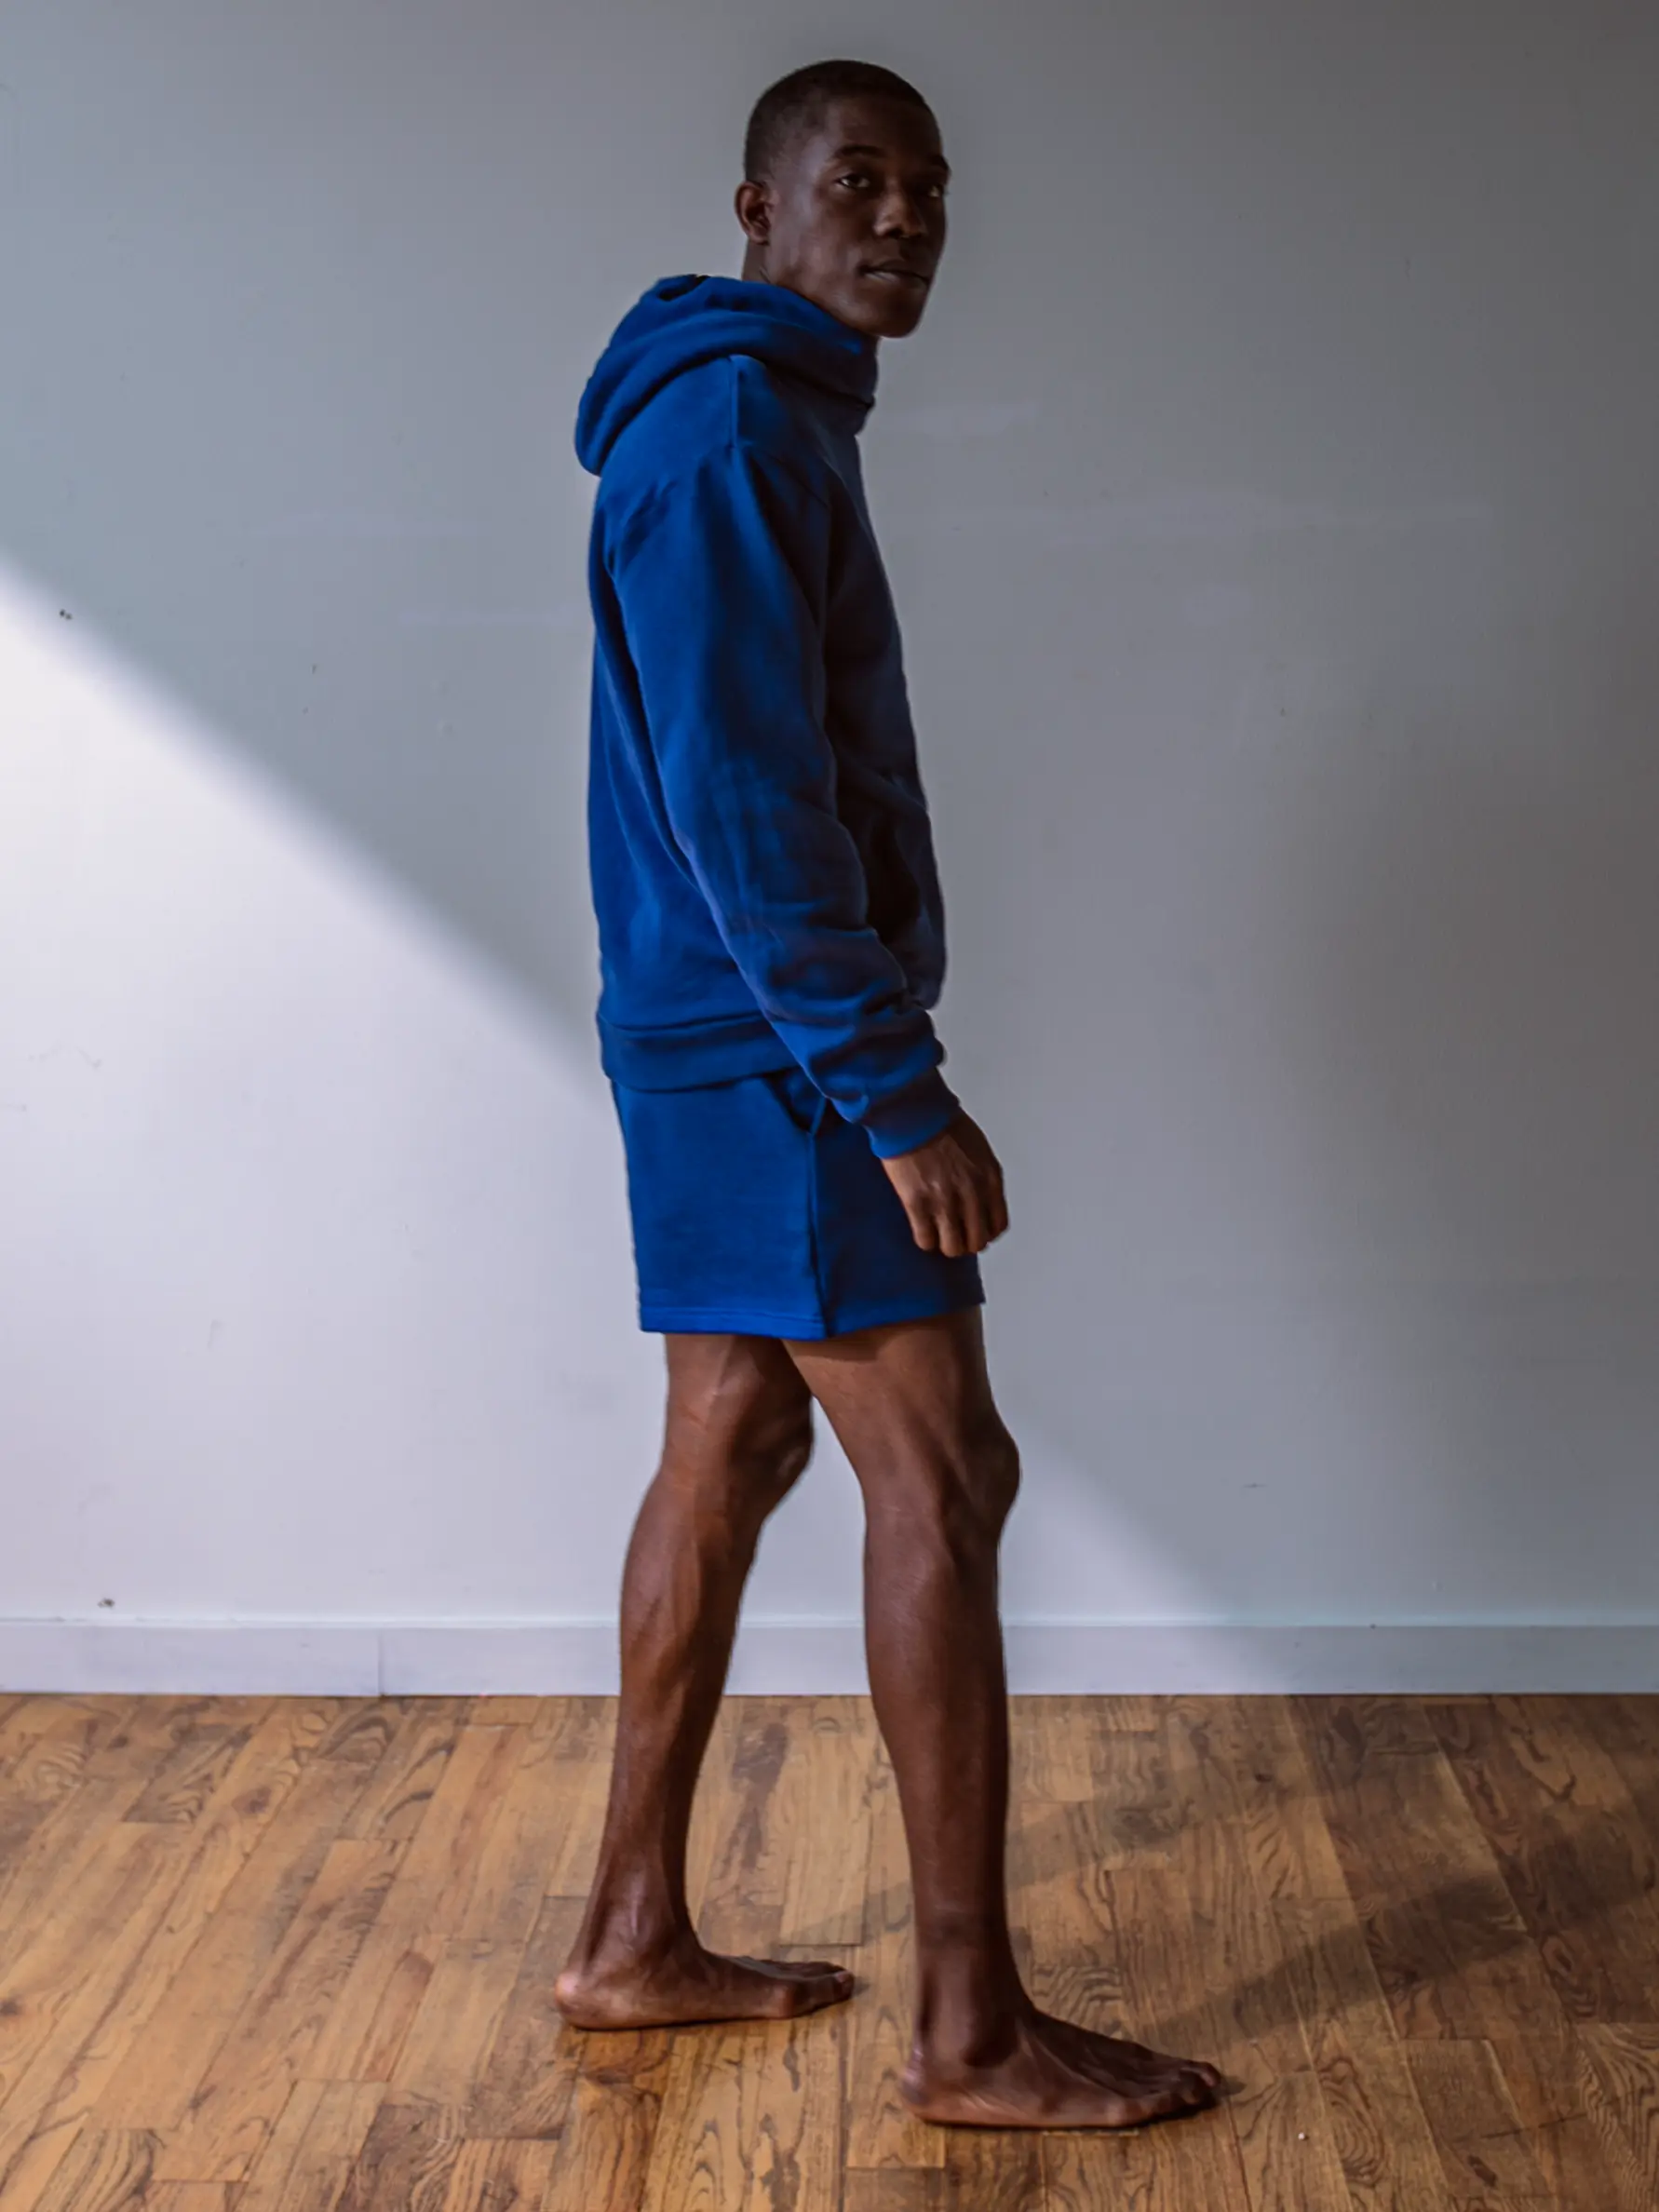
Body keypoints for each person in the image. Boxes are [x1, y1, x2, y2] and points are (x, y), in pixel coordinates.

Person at [553, 57, 1221, 2130]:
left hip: (705, 1045)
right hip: (780, 1062)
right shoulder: (741, 429)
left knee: (731, 1454)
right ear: (757, 209)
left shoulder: (749, 415)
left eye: (929, 187)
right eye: (858, 181)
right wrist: (893, 1085)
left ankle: (627, 1940)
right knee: (948, 1479)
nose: (907, 218)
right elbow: (747, 805)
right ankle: (970, 2032)